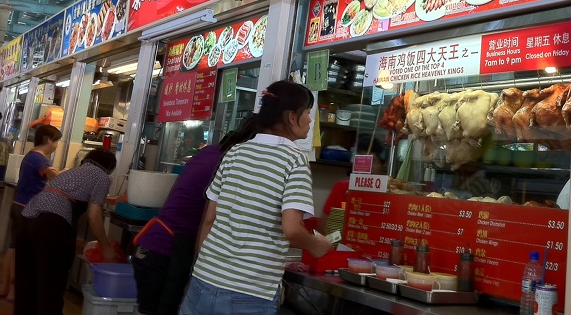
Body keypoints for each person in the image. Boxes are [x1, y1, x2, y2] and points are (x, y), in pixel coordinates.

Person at [179, 81, 334, 315]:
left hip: (202, 281)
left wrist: (212, 268)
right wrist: (318, 246)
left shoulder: (235, 152)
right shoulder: (294, 159)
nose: (310, 121)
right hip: (249, 293)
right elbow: (292, 229)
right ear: (292, 117)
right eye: (308, 113)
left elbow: (209, 220)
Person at [132, 118, 260, 315]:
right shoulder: (228, 163)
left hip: (153, 247)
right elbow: (212, 218)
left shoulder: (211, 152)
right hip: (167, 252)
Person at [14, 148, 117, 315]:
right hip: (50, 225)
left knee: (26, 288)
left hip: (26, 221)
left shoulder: (71, 172)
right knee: (50, 291)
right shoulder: (102, 176)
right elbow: (93, 215)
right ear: (109, 168)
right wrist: (106, 247)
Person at [0, 124, 62, 302]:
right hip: (28, 208)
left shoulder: (31, 155)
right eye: (56, 141)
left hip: (19, 204)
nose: (57, 145)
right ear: (48, 140)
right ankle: (14, 290)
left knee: (13, 248)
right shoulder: (39, 158)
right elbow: (55, 177)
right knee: (22, 251)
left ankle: (5, 288)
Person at [316, 134, 386, 234]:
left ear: (382, 165)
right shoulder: (343, 187)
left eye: (373, 161)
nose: (368, 167)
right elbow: (323, 226)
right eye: (363, 161)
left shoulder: (387, 193)